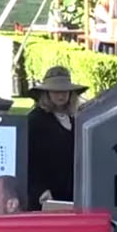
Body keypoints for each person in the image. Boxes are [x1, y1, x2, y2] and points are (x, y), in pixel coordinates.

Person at [23, 67, 85, 209]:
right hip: (46, 197)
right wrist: (39, 189)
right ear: (46, 93)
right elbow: (27, 160)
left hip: (74, 193)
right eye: (56, 91)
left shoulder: (76, 118)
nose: (61, 95)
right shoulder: (35, 120)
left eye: (64, 91)